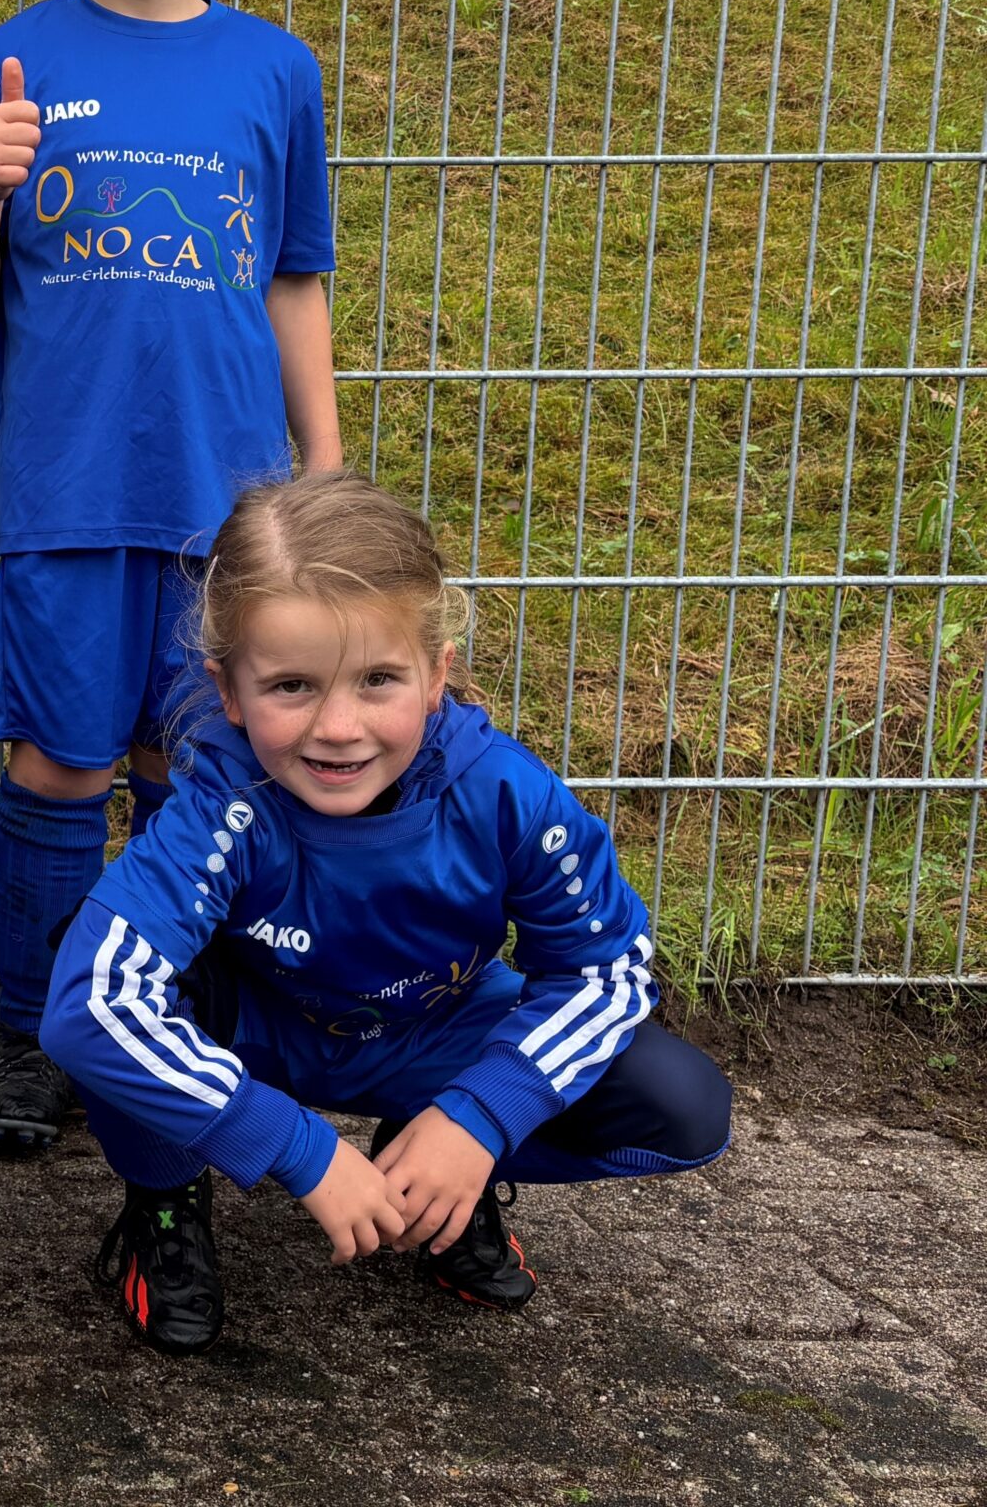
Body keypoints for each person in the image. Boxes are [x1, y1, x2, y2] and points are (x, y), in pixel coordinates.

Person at [38, 471, 732, 1355]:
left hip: (429, 1039)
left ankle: (437, 1170)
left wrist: (480, 1115)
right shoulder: (223, 803)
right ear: (228, 690)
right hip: (252, 1041)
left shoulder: (503, 794)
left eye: (377, 679)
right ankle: (165, 1200)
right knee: (95, 973)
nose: (338, 726)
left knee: (681, 1104)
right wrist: (298, 1148)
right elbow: (94, 1002)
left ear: (437, 672)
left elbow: (605, 971)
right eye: (292, 686)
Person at [0, 0, 343, 1154]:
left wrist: (325, 469)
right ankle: (38, 1026)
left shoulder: (272, 71)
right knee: (55, 765)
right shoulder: (10, 59)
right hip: (63, 488)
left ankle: (162, 1020)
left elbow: (294, 278)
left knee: (198, 770)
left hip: (227, 505)